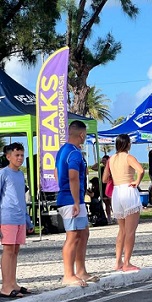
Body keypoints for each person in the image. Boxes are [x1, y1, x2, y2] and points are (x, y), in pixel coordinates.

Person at [55, 120, 97, 287]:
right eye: (84, 135)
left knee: (83, 233)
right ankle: (68, 274)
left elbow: (57, 172)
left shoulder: (63, 150)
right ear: (81, 135)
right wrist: (76, 200)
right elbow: (73, 176)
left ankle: (81, 270)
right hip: (71, 200)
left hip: (72, 196)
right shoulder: (74, 153)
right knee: (73, 236)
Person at [103, 133, 145, 271]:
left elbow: (104, 179)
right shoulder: (128, 157)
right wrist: (137, 181)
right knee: (130, 230)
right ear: (127, 144)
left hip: (116, 192)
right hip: (128, 189)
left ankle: (118, 262)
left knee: (121, 230)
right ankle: (127, 262)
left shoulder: (111, 159)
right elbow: (141, 170)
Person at [0, 143, 30, 298]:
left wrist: (27, 219)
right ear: (8, 156)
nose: (19, 158)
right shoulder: (3, 173)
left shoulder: (19, 175)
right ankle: (5, 286)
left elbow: (21, 199)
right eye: (16, 155)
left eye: (21, 155)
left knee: (16, 251)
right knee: (8, 250)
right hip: (7, 217)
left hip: (20, 218)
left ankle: (13, 282)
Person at [91, 154, 113, 223]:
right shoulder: (101, 168)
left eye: (104, 160)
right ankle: (109, 218)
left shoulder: (111, 168)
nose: (103, 161)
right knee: (106, 203)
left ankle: (116, 216)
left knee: (112, 202)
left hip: (110, 186)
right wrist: (100, 161)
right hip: (103, 187)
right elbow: (93, 167)